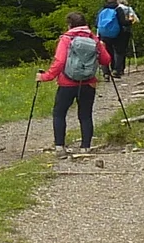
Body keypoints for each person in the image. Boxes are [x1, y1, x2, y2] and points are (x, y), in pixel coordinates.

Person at [37, 12, 112, 158]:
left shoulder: (66, 39)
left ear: (70, 25)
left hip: (67, 83)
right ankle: (85, 147)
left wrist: (45, 77)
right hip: (88, 83)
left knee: (59, 113)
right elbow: (106, 60)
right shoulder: (93, 39)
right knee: (85, 115)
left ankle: (60, 147)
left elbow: (59, 62)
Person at [96, 0, 127, 79]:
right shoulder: (118, 9)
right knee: (119, 52)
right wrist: (129, 21)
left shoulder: (102, 10)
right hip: (117, 34)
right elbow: (123, 22)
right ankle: (116, 70)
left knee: (105, 51)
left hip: (104, 35)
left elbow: (96, 23)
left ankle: (106, 72)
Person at [118, 0, 139, 67]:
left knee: (117, 49)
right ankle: (122, 67)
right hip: (126, 31)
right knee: (123, 48)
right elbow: (136, 20)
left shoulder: (116, 8)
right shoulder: (129, 9)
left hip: (116, 31)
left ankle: (117, 67)